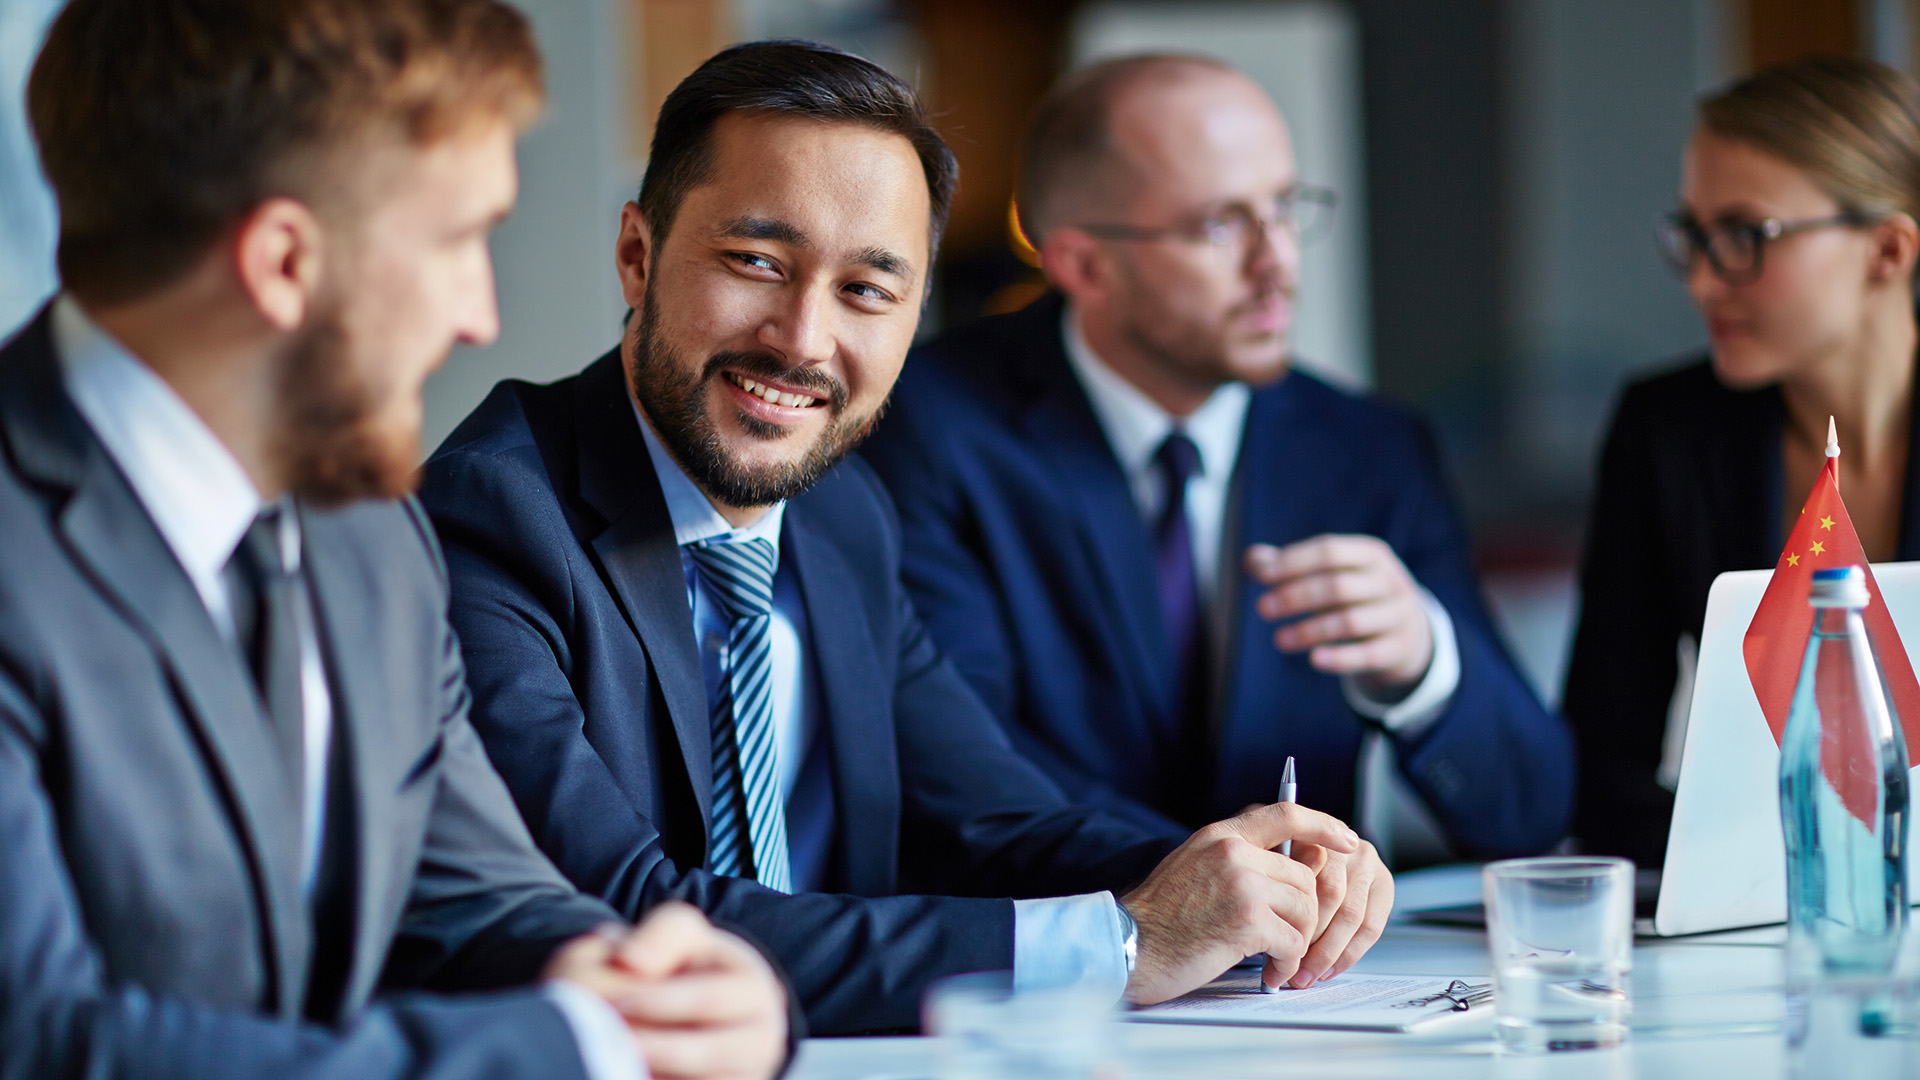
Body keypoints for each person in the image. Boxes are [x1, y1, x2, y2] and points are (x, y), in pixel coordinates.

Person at [419, 40, 1392, 1037]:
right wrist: (1126, 947)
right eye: (756, 262)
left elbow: (999, 821)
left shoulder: (844, 515)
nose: (802, 339)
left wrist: (1249, 875)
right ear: (638, 254)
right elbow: (623, 917)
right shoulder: (492, 513)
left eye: (866, 291)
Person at [0, 2, 792, 1078]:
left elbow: (471, 894)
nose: (480, 315)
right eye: (463, 242)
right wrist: (562, 1050)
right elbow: (45, 1041)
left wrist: (651, 989)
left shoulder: (369, 534)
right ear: (284, 262)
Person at [859, 55, 1573, 859]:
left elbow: (1530, 812)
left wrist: (1424, 666)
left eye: (1286, 208)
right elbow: (965, 775)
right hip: (1049, 959)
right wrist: (1214, 892)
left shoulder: (1371, 449)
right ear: (1083, 264)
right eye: (1220, 226)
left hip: (1318, 975)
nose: (1278, 264)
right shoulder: (924, 425)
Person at [1565, 55, 1920, 867]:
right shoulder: (1666, 432)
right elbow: (1602, 757)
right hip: (1765, 914)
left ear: (1888, 253)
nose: (1702, 279)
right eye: (1694, 234)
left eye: (1744, 237)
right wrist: (1735, 878)